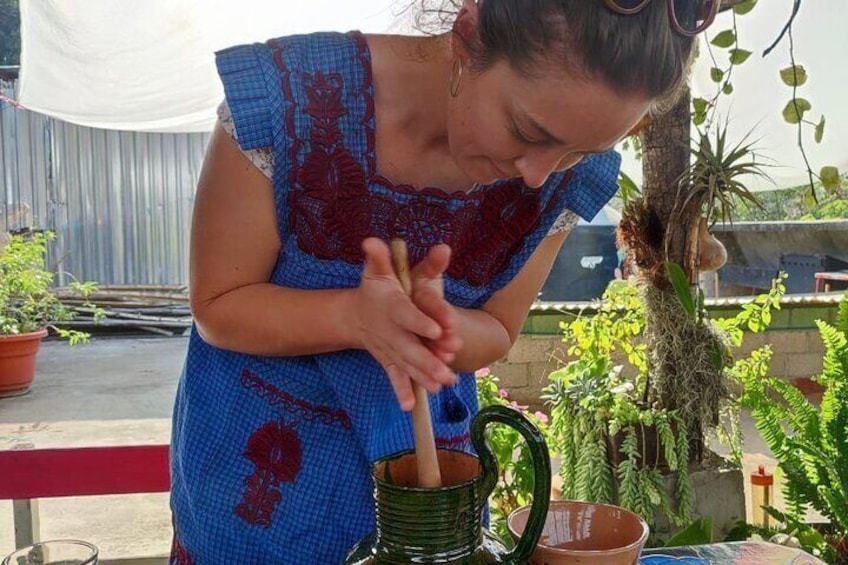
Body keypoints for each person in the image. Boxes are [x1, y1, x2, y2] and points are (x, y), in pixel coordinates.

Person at [169, 0, 713, 562]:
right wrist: (355, 318)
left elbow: (499, 328)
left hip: (430, 503)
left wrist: (440, 326)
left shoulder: (560, 180)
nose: (538, 174)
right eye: (528, 131)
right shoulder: (290, 101)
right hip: (258, 486)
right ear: (468, 33)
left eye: (581, 151)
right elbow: (219, 305)